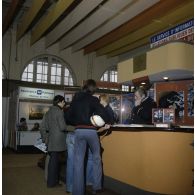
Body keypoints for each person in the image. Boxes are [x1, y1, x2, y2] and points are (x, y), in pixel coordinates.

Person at [65, 79, 109, 195]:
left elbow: (67, 117)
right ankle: (96, 186)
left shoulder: (75, 100)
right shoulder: (93, 99)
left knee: (78, 161)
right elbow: (104, 114)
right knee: (96, 158)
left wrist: (78, 121)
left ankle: (77, 192)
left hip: (78, 131)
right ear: (93, 88)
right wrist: (95, 120)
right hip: (91, 131)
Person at [40, 95, 67, 188]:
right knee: (54, 163)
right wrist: (74, 128)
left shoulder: (48, 112)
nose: (64, 104)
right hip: (58, 141)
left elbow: (43, 126)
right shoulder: (59, 112)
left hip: (50, 139)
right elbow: (63, 127)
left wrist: (45, 138)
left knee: (51, 161)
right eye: (63, 102)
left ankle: (50, 180)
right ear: (59, 102)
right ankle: (52, 183)